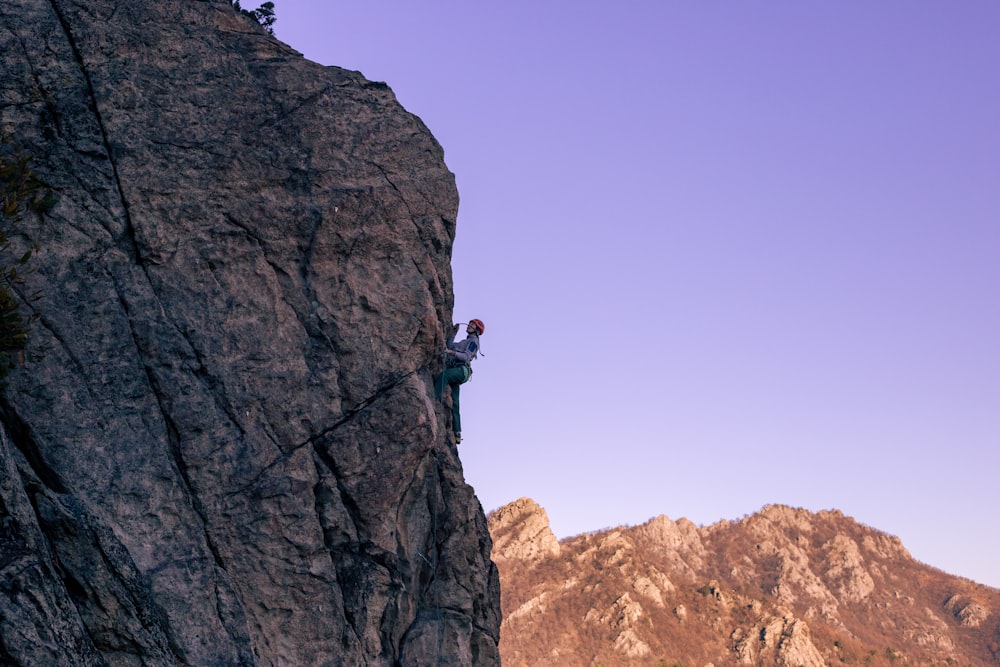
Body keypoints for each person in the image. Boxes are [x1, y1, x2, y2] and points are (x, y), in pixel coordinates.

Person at [435, 319, 484, 444]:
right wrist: (453, 333)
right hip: (457, 369)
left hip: (462, 370)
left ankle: (433, 397)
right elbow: (449, 346)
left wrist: (451, 352)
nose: (469, 325)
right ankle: (457, 432)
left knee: (445, 375)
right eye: (470, 323)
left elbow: (466, 356)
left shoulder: (474, 342)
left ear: (477, 331)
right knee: (455, 401)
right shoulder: (464, 341)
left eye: (473, 325)